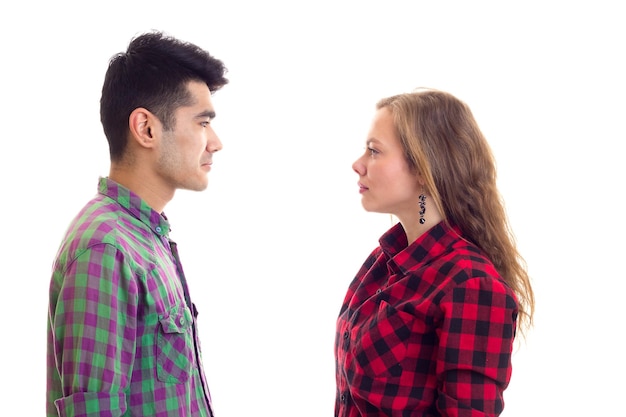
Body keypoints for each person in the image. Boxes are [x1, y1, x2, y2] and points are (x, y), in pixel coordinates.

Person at [46, 30, 228, 417]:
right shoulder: (106, 249)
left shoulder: (147, 237)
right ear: (146, 128)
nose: (215, 142)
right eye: (202, 122)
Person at [335, 89, 534, 417]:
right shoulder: (381, 263)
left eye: (374, 151)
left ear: (424, 168)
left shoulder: (470, 284)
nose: (358, 164)